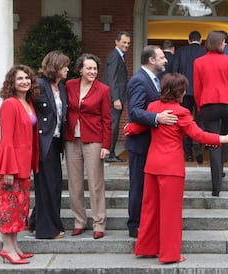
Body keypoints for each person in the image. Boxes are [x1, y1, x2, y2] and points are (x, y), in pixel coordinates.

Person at [124, 73, 228, 263]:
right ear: (181, 92)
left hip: (152, 165)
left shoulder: (153, 108)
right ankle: (170, 254)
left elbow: (139, 126)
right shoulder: (181, 112)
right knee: (171, 213)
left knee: (150, 210)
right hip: (171, 168)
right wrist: (224, 138)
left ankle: (146, 248)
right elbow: (199, 135)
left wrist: (129, 128)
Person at [125, 45, 178, 238]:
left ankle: (146, 223)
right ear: (151, 60)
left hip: (153, 144)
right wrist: (158, 118)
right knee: (138, 186)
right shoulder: (139, 81)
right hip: (140, 144)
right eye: (162, 57)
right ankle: (135, 225)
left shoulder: (157, 80)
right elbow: (135, 112)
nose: (166, 60)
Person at [0, 64, 40, 264]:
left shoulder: (27, 103)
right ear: (12, 82)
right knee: (8, 208)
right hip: (11, 166)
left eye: (27, 78)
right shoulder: (10, 104)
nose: (24, 81)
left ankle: (15, 246)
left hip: (23, 165)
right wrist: (8, 169)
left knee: (19, 208)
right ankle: (6, 249)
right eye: (20, 78)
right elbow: (6, 139)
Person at [65, 53, 111, 239]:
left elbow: (107, 120)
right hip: (71, 140)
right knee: (74, 184)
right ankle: (79, 221)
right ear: (80, 70)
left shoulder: (103, 89)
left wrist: (106, 145)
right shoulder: (70, 85)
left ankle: (99, 223)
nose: (93, 72)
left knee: (95, 183)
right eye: (89, 68)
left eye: (95, 68)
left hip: (94, 139)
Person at [28, 50, 69, 240]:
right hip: (42, 143)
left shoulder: (62, 87)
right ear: (56, 67)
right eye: (65, 66)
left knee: (52, 184)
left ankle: (35, 222)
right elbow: (25, 106)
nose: (68, 69)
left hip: (56, 142)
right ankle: (47, 230)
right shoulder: (39, 85)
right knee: (48, 185)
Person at [193, 30, 228, 196]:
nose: (225, 45)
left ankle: (216, 186)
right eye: (223, 42)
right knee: (225, 138)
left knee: (213, 142)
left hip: (208, 104)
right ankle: (220, 171)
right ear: (219, 43)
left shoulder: (199, 62)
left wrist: (199, 106)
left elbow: (197, 88)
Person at [172, 30, 206, 163]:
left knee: (184, 120)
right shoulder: (204, 52)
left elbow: (175, 71)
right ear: (201, 40)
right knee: (199, 120)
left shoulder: (180, 52)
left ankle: (188, 152)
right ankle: (198, 142)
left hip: (183, 91)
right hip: (200, 92)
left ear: (188, 40)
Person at [102, 31, 131, 163]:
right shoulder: (115, 56)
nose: (126, 45)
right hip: (113, 98)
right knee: (112, 126)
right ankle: (109, 153)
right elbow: (111, 78)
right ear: (116, 42)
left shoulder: (120, 56)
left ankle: (111, 152)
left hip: (115, 97)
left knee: (114, 125)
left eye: (128, 43)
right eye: (124, 42)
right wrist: (116, 98)